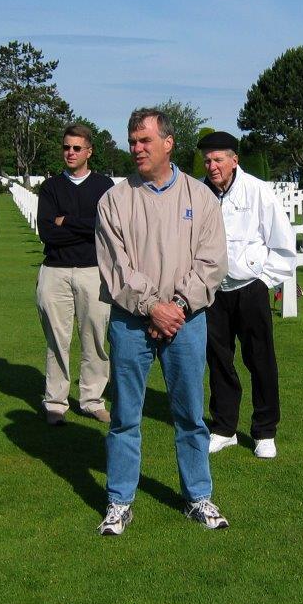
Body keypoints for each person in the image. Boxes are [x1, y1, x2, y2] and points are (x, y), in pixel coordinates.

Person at [94, 108, 229, 535]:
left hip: (187, 322)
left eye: (144, 141)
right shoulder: (115, 200)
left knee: (190, 414)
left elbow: (211, 261)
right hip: (131, 322)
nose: (135, 148)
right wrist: (152, 307)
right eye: (132, 141)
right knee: (125, 416)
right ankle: (119, 500)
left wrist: (177, 308)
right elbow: (116, 267)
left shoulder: (199, 197)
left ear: (168, 143)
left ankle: (198, 496)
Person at [198, 131, 296, 459]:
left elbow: (281, 241)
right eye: (208, 160)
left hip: (250, 288)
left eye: (219, 159)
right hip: (213, 291)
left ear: (234, 160)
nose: (212, 166)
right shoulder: (199, 192)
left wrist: (263, 281)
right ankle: (225, 427)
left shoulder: (257, 190)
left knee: (260, 360)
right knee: (219, 361)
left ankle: (265, 431)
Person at [35, 124, 115, 425]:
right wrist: (85, 227)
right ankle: (55, 401)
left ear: (89, 151)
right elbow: (47, 233)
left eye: (77, 148)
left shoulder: (104, 186)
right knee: (57, 339)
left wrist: (66, 220)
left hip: (94, 271)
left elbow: (105, 230)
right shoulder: (51, 187)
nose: (70, 152)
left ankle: (92, 399)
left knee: (94, 338)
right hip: (54, 271)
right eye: (66, 147)